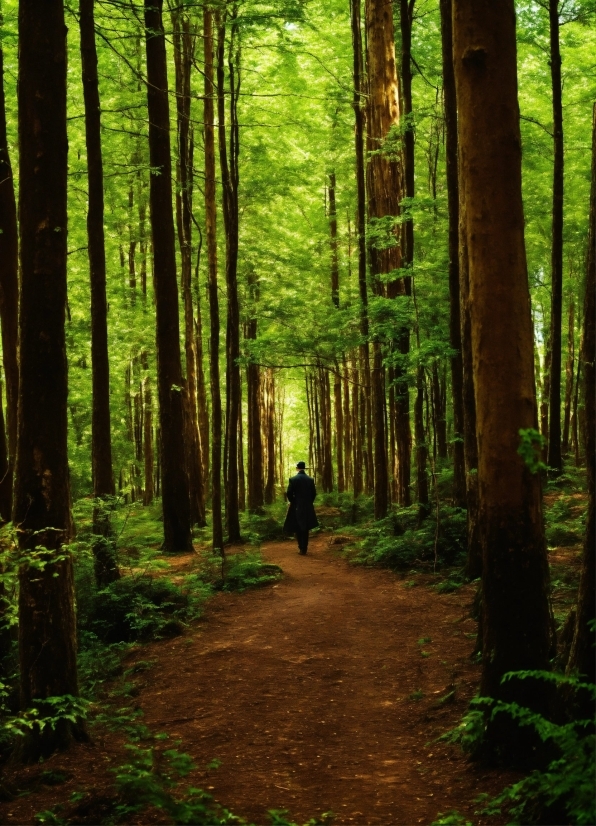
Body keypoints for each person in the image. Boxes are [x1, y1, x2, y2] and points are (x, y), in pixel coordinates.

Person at [283, 461, 318, 555]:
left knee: (298, 526)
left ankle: (301, 547)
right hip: (307, 506)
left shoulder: (293, 479)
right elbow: (314, 493)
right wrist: (309, 502)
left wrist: (293, 502)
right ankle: (304, 548)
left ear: (297, 468)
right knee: (305, 527)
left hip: (296, 506)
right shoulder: (310, 479)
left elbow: (289, 493)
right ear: (304, 468)